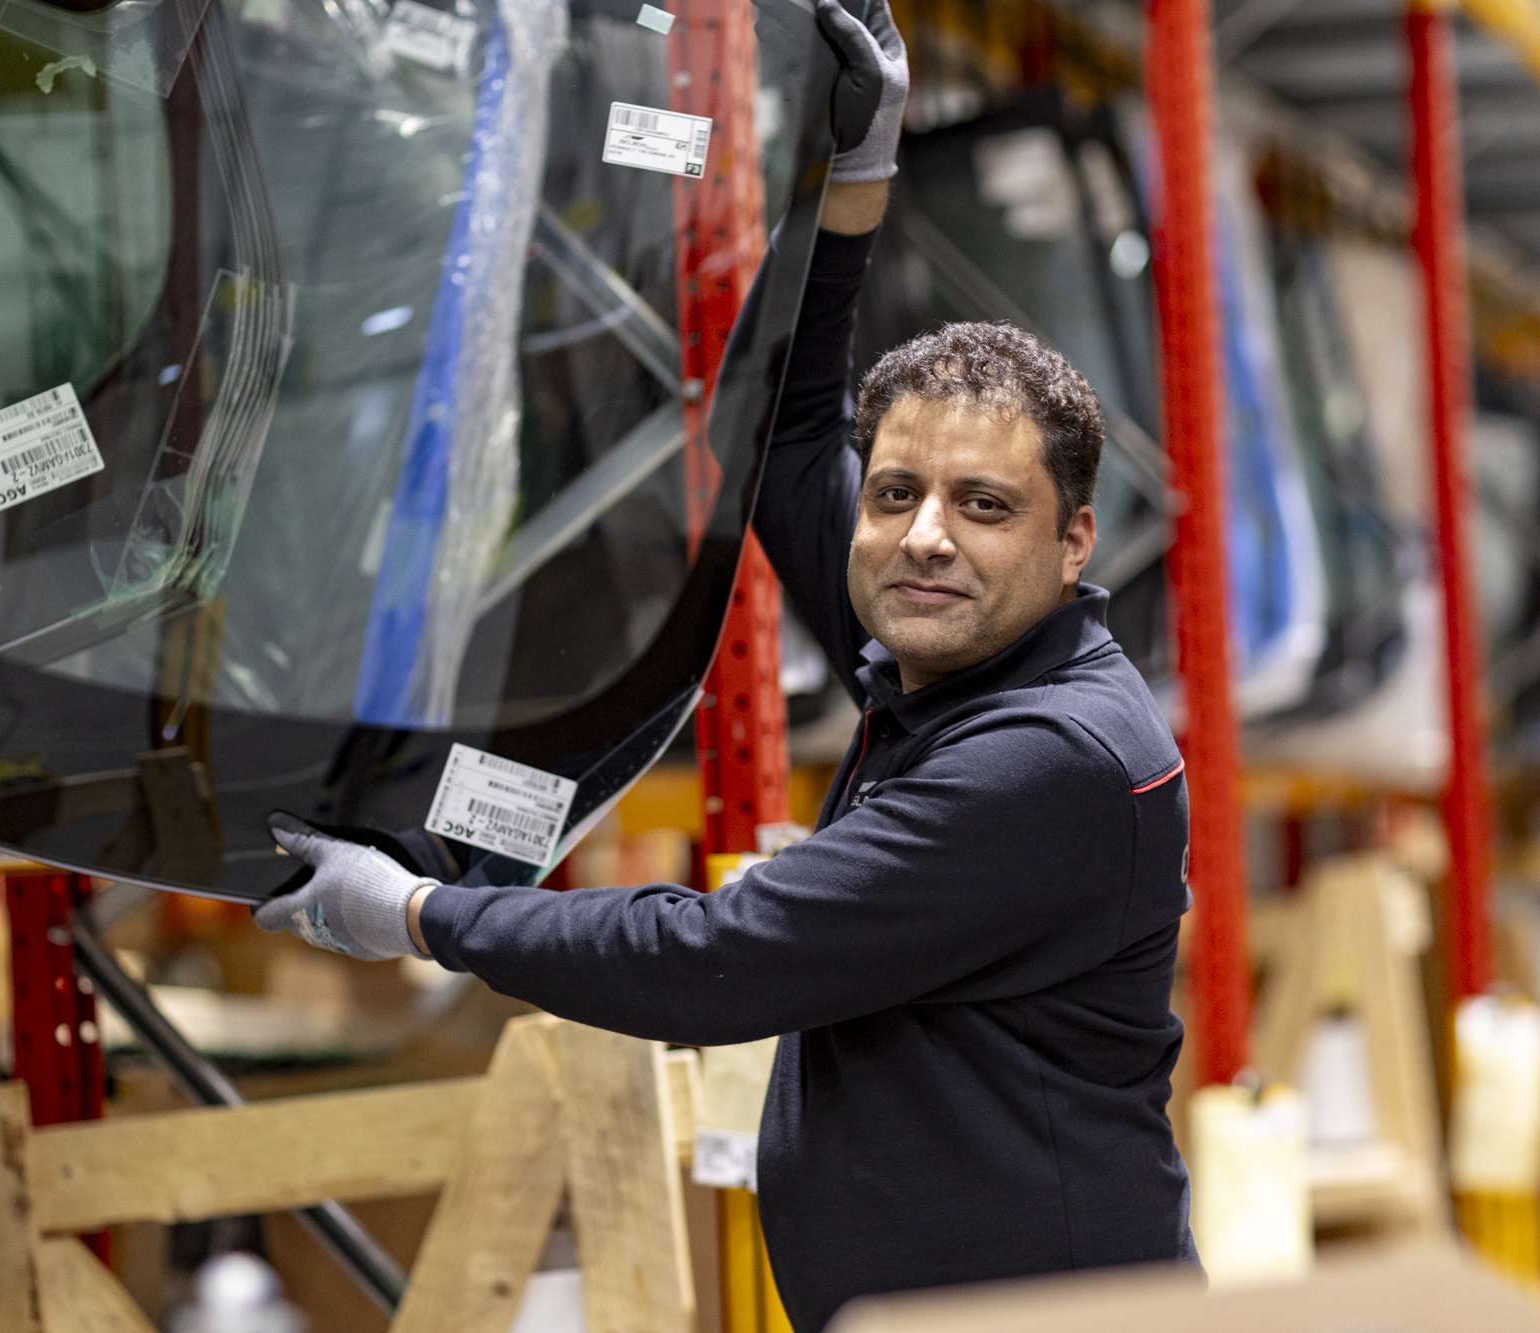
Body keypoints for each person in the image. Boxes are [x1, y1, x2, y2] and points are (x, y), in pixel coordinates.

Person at [254, 3, 1197, 1326]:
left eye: (985, 506)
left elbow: (719, 955)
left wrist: (415, 914)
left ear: (1071, 539)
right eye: (899, 491)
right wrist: (855, 176)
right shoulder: (940, 644)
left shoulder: (1051, 757)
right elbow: (795, 420)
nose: (926, 536)